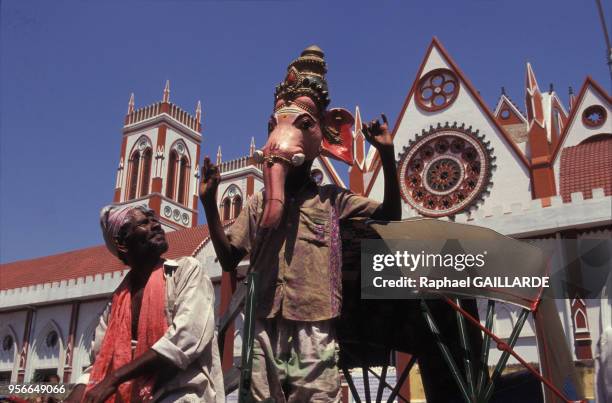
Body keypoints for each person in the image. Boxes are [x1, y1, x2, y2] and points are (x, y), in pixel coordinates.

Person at [199, 46, 401, 402]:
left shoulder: (331, 200)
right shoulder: (259, 202)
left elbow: (389, 217)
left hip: (315, 325)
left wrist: (386, 155)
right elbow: (230, 258)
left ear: (323, 136)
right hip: (262, 323)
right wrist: (209, 203)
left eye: (304, 124)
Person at [64, 205, 224, 403]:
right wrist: (77, 394)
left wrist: (116, 377)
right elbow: (100, 364)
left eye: (154, 219)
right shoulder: (116, 303)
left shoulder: (186, 271)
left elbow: (185, 338)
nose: (156, 225)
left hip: (183, 393)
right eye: (144, 223)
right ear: (122, 244)